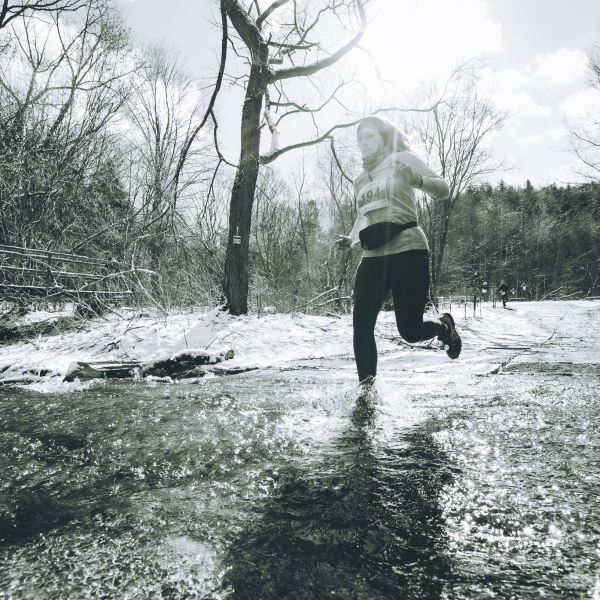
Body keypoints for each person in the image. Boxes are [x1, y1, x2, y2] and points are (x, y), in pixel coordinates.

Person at [334, 116, 461, 385]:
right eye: (360, 138)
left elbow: (443, 189)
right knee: (361, 327)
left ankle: (444, 327)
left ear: (383, 138)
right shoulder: (359, 180)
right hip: (373, 256)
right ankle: (366, 393)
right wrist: (352, 239)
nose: (364, 142)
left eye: (370, 136)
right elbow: (364, 216)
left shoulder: (402, 159)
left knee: (410, 331)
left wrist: (415, 180)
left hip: (408, 249)